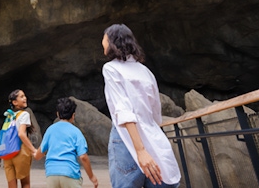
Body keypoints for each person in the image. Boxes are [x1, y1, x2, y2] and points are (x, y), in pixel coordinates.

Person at [101, 24, 181, 188]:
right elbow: (155, 113)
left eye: (104, 38)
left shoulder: (111, 68)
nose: (102, 42)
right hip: (153, 136)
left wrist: (141, 151)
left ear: (111, 42)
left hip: (126, 139)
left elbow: (123, 111)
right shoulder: (146, 71)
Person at [34, 97, 99, 188]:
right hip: (69, 173)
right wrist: (91, 176)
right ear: (73, 115)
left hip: (51, 174)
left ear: (58, 114)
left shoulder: (50, 130)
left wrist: (33, 152)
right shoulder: (76, 132)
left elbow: (38, 155)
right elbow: (83, 156)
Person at [3, 89, 38, 188]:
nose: (25, 98)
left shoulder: (9, 116)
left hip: (7, 153)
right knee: (25, 183)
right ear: (15, 102)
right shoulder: (24, 114)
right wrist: (33, 149)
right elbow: (21, 134)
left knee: (11, 184)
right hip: (20, 151)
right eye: (21, 96)